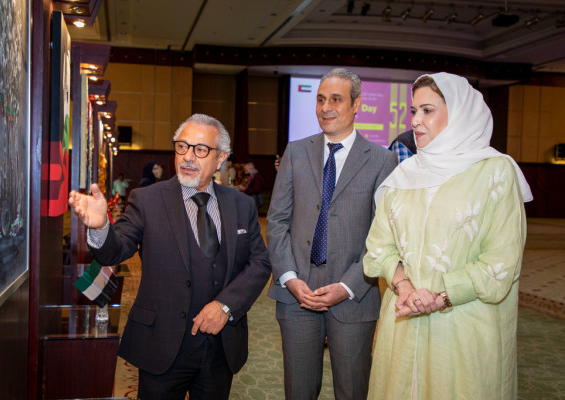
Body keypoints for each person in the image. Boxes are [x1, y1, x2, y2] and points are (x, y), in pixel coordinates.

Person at [69, 113, 272, 400]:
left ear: (220, 158)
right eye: (182, 146)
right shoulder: (147, 199)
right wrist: (101, 226)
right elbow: (116, 250)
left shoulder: (241, 204)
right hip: (162, 345)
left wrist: (226, 306)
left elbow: (260, 263)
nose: (188, 156)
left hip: (220, 347)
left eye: (200, 149)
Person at [362, 72, 533, 399]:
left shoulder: (494, 172)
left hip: (463, 327)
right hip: (403, 318)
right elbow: (379, 247)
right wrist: (405, 287)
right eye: (414, 111)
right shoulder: (404, 175)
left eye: (427, 111)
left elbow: (501, 261)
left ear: (459, 114)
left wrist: (440, 297)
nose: (415, 120)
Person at [266, 68, 398, 399]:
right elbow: (277, 221)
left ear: (357, 104)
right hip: (297, 294)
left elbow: (383, 235)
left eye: (336, 99)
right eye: (321, 99)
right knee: (298, 390)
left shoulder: (382, 160)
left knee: (353, 390)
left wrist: (347, 286)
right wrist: (289, 278)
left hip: (354, 296)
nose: (326, 107)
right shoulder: (296, 152)